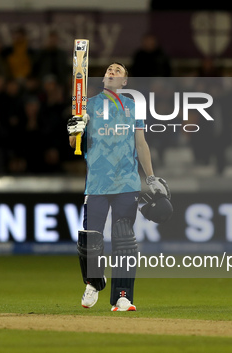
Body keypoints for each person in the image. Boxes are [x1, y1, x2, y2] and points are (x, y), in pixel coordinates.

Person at [67, 62, 170, 312]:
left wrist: (151, 177)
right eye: (109, 70)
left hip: (126, 182)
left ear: (124, 82)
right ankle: (93, 282)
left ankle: (123, 296)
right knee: (90, 239)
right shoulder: (87, 105)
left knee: (124, 240)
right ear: (104, 77)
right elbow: (73, 144)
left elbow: (141, 144)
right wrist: (75, 129)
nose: (111, 72)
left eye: (118, 71)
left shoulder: (133, 107)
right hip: (97, 182)